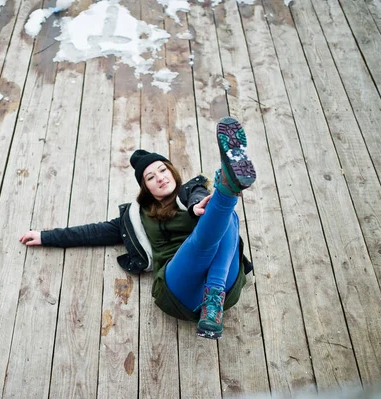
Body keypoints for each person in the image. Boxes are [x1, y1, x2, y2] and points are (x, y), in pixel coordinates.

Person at [20, 116, 256, 339]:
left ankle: (226, 188)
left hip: (225, 285)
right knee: (206, 236)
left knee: (226, 218)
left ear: (172, 171)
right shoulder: (135, 218)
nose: (160, 178)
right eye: (151, 177)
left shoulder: (193, 192)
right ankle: (227, 186)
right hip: (180, 288)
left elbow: (198, 197)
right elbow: (92, 232)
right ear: (146, 188)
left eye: (163, 170)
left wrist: (196, 208)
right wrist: (45, 236)